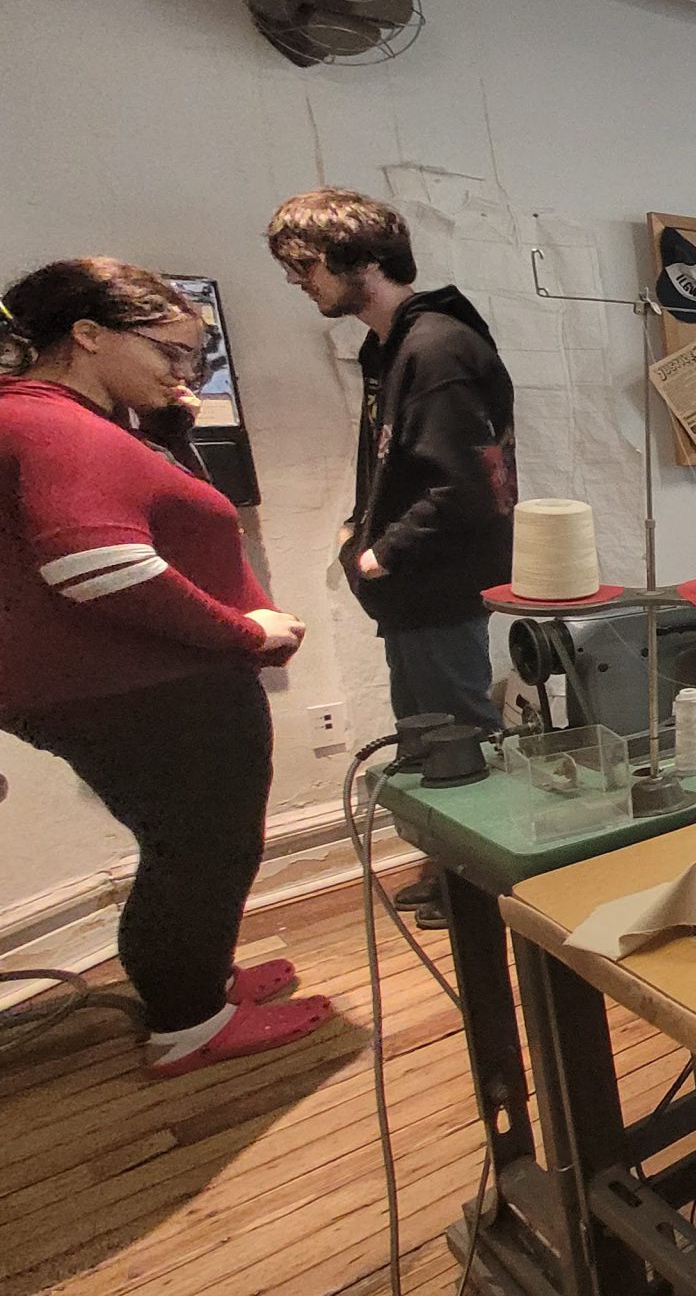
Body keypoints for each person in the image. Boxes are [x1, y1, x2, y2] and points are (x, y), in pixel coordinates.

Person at [0, 259, 334, 1075]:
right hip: (138, 689)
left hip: (117, 689)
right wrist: (242, 636)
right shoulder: (52, 424)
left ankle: (198, 980)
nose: (182, 373)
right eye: (170, 352)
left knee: (185, 844)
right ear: (88, 334)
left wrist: (167, 438)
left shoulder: (62, 419)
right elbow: (95, 566)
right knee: (202, 850)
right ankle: (189, 1022)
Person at [270, 188, 517, 930]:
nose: (299, 282)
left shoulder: (437, 348)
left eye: (307, 265)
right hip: (416, 584)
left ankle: (485, 887)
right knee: (426, 730)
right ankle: (453, 873)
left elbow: (470, 486)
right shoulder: (393, 347)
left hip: (437, 578)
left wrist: (380, 554)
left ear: (365, 260)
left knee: (458, 733)